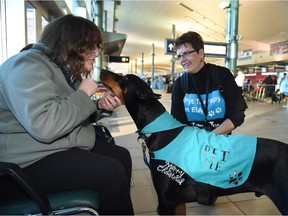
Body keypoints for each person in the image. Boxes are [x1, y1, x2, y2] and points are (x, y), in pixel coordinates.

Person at [0, 14, 134, 215]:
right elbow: (45, 125)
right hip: (24, 165)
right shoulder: (27, 65)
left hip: (49, 149)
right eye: (92, 46)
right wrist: (83, 93)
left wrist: (99, 108)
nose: (96, 53)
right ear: (72, 44)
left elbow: (64, 113)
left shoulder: (53, 67)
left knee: (121, 156)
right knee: (112, 173)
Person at [171, 31, 247, 136]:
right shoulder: (179, 85)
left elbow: (237, 115)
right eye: (179, 56)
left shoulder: (222, 75)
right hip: (193, 145)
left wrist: (210, 138)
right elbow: (178, 122)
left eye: (186, 53)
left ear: (201, 53)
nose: (182, 60)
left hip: (220, 143)